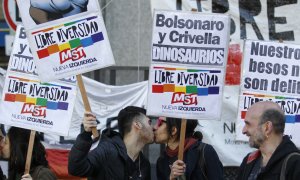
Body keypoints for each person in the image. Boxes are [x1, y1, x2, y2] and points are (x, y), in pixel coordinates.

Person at [68, 106, 154, 180]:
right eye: (150, 122)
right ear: (138, 125)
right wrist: (86, 134)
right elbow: (76, 169)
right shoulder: (107, 150)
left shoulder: (144, 165)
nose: (153, 127)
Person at [237, 101, 300, 180]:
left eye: (248, 124)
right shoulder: (249, 160)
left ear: (267, 128)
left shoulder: (295, 164)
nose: (243, 130)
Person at [154, 117, 223, 180]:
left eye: (159, 123)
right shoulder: (162, 160)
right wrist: (171, 178)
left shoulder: (205, 151)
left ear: (173, 130)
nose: (154, 127)